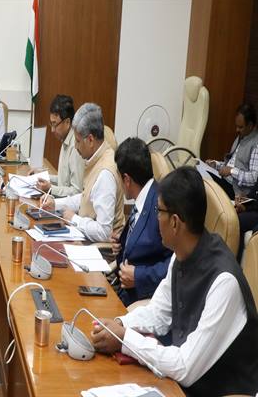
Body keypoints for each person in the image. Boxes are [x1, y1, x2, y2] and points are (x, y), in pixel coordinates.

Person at [91, 167, 258, 396]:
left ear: (175, 222)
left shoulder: (224, 282)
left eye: (158, 210)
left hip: (216, 390)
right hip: (181, 382)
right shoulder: (182, 253)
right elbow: (158, 314)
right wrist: (119, 325)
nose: (155, 217)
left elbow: (185, 367)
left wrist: (124, 339)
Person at [41, 102, 125, 242]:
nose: (75, 146)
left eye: (78, 141)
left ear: (90, 140)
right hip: (86, 236)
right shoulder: (98, 157)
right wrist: (55, 204)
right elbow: (86, 198)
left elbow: (103, 232)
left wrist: (74, 219)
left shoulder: (105, 174)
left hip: (102, 249)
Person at [111, 137, 172, 306]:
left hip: (141, 299)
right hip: (122, 289)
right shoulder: (144, 196)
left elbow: (176, 263)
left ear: (127, 180)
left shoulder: (161, 208)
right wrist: (122, 243)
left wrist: (139, 276)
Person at [30, 94, 84, 197]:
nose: (52, 130)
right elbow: (63, 181)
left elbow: (77, 192)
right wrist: (41, 176)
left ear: (67, 122)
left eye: (55, 124)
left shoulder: (75, 146)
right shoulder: (65, 139)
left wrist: (50, 188)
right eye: (51, 124)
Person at [206, 103, 258, 196]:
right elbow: (231, 164)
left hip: (236, 190)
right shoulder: (241, 137)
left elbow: (254, 178)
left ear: (250, 125)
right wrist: (216, 165)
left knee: (204, 183)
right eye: (236, 126)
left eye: (240, 127)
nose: (237, 130)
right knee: (199, 174)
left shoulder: (255, 144)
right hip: (226, 180)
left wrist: (232, 171)